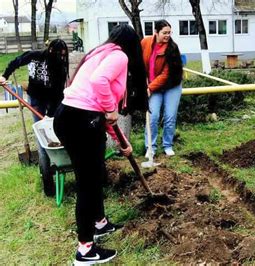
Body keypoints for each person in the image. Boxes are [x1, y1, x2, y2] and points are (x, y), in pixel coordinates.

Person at [53, 24, 146, 264]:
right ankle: (85, 250)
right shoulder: (119, 55)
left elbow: (102, 117)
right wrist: (110, 107)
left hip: (74, 117)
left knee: (95, 175)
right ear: (132, 43)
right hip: (80, 120)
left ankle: (100, 223)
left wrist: (122, 143)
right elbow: (99, 83)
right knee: (87, 183)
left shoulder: (100, 53)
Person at [0, 39, 69, 196]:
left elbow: (58, 94)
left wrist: (49, 115)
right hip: (36, 100)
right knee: (42, 138)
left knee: (55, 132)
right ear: (50, 50)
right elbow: (17, 61)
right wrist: (5, 75)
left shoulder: (60, 67)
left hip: (52, 101)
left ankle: (60, 164)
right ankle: (48, 185)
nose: (61, 57)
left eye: (64, 55)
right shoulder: (35, 55)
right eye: (59, 54)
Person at [142, 19, 183, 157]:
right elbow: (140, 63)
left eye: (169, 33)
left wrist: (150, 88)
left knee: (170, 116)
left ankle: (167, 145)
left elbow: (166, 74)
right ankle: (150, 147)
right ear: (156, 32)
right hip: (154, 86)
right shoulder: (146, 43)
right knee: (152, 117)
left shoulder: (172, 48)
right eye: (164, 33)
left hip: (172, 85)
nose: (167, 36)